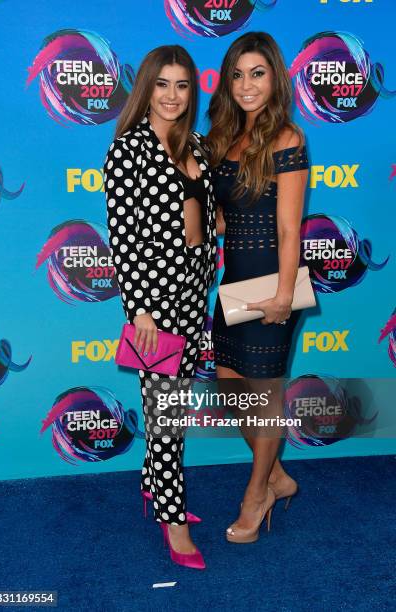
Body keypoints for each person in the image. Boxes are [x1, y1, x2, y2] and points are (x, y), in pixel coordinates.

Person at [103, 45, 217, 568]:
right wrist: (141, 311)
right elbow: (123, 239)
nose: (172, 95)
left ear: (192, 91)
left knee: (171, 405)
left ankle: (154, 484)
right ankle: (172, 522)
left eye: (183, 85)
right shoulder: (128, 151)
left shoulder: (197, 144)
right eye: (162, 84)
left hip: (196, 295)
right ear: (146, 87)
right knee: (167, 417)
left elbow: (207, 220)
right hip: (156, 307)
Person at [207, 32, 309, 543]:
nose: (247, 85)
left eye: (258, 73)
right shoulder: (224, 137)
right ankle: (276, 474)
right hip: (235, 283)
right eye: (238, 74)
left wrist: (285, 295)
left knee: (265, 396)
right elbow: (228, 220)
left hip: (273, 280)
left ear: (274, 78)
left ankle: (256, 495)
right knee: (230, 389)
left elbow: (290, 228)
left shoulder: (287, 138)